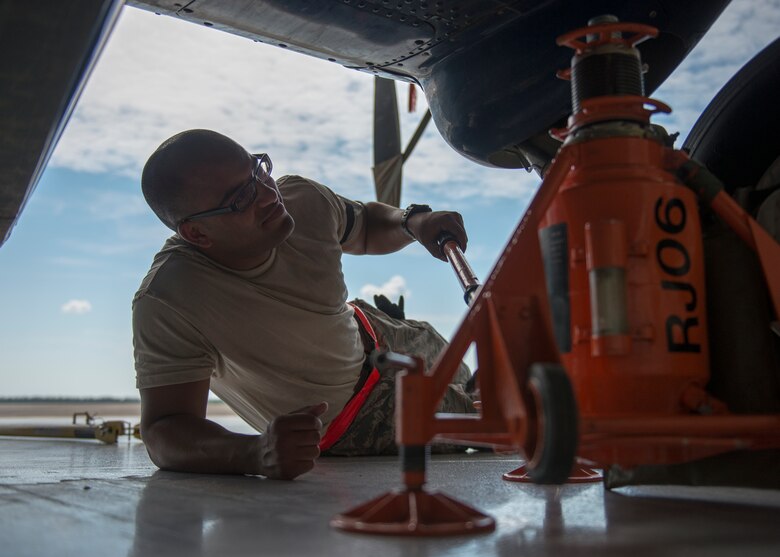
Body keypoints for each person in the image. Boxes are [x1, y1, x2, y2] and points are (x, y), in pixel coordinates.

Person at [133, 129, 475, 481]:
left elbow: (365, 227)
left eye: (258, 170)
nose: (269, 194)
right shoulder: (169, 300)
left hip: (374, 331)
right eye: (242, 197)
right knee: (495, 416)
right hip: (357, 418)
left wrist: (414, 221)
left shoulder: (303, 199)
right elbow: (163, 429)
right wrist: (253, 453)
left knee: (479, 379)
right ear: (196, 233)